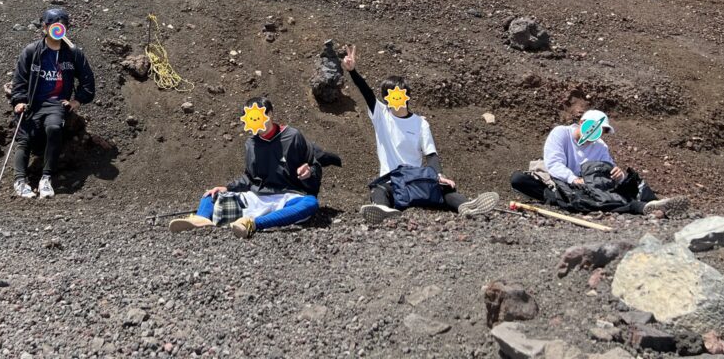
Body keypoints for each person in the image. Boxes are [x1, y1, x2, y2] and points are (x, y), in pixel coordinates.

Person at [341, 45, 499, 225]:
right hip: (392, 181)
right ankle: (384, 211)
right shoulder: (381, 115)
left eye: (397, 95)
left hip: (416, 180)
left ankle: (467, 206)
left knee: (445, 188)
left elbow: (431, 154)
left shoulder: (421, 123)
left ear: (406, 96)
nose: (392, 100)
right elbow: (366, 92)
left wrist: (439, 174)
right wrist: (353, 71)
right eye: (388, 97)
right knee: (379, 189)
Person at [170, 97, 322, 239]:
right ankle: (201, 220)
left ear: (270, 114)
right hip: (256, 197)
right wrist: (227, 188)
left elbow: (314, 166)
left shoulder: (293, 136)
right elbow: (249, 178)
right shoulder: (251, 144)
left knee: (310, 203)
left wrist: (309, 172)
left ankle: (253, 224)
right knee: (211, 195)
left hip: (287, 197)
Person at [509, 110, 688, 216]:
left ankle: (642, 206)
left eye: (601, 131)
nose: (597, 134)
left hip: (586, 187)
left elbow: (606, 172)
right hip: (563, 181)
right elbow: (554, 164)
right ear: (582, 123)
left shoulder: (600, 146)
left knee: (600, 194)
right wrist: (573, 180)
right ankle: (637, 207)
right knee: (519, 179)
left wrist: (618, 176)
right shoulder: (561, 133)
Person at [10, 6, 96, 199]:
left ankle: (46, 179)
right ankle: (20, 181)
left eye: (63, 25)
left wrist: (77, 100)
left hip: (56, 103)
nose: (58, 28)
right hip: (32, 103)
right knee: (25, 138)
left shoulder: (74, 53)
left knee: (54, 129)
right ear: (45, 27)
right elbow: (19, 79)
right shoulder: (32, 51)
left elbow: (88, 80)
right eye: (53, 25)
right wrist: (19, 100)